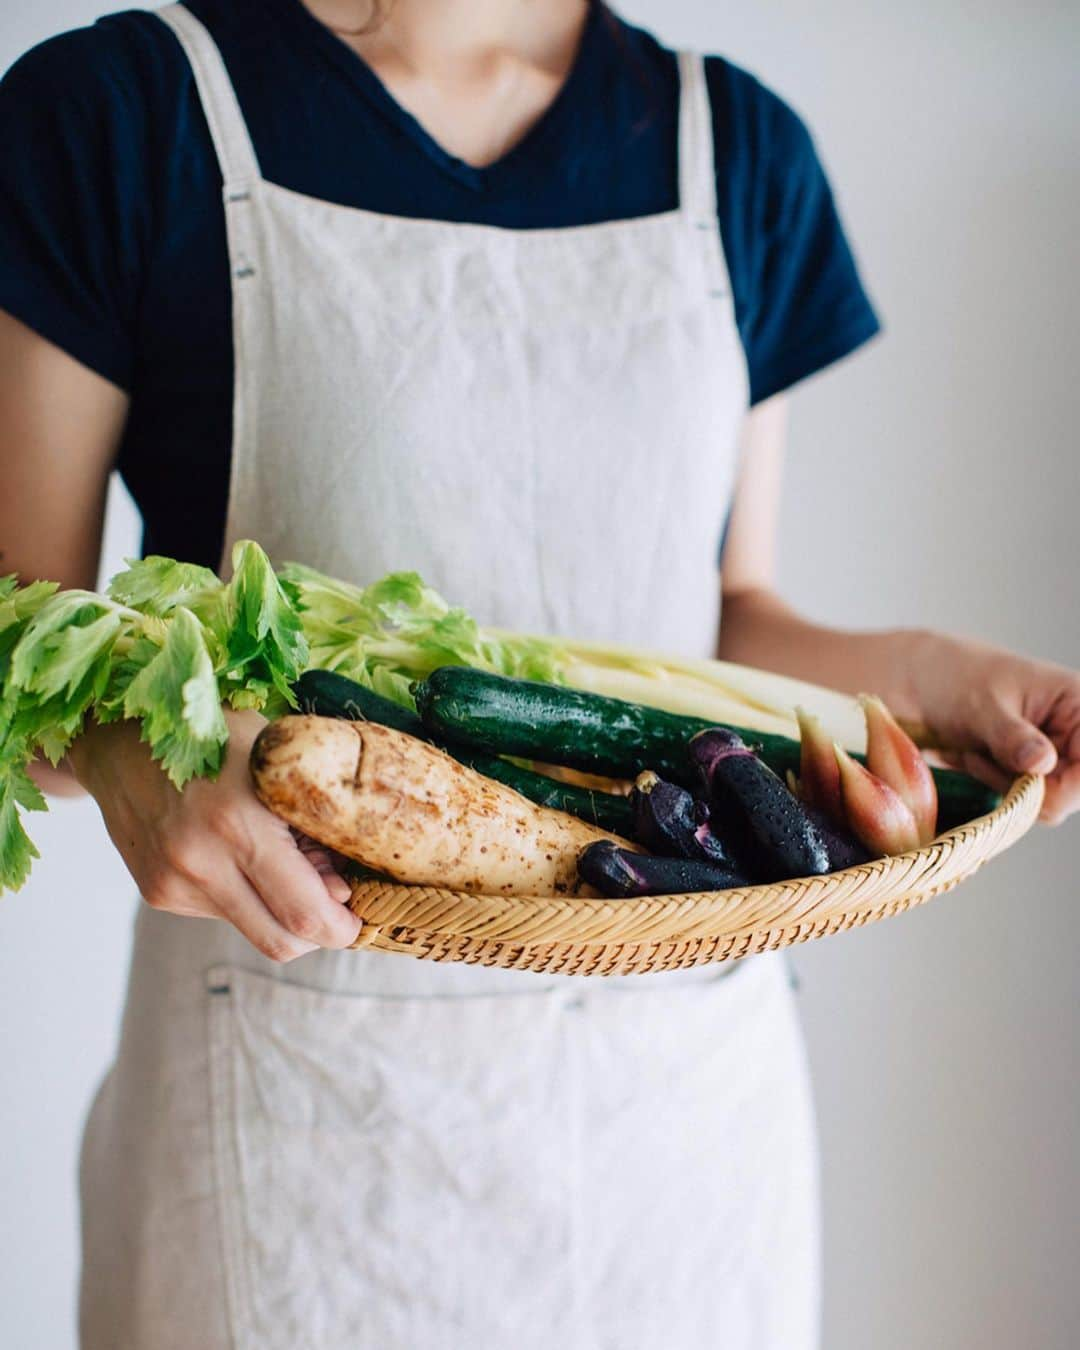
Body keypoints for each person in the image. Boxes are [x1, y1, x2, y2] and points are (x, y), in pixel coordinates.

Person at [1, 1, 1076, 1346]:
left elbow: (717, 621)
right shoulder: (127, 113)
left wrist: (934, 675)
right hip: (299, 1130)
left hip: (682, 1142)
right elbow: (17, 635)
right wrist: (121, 754)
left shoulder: (729, 151)